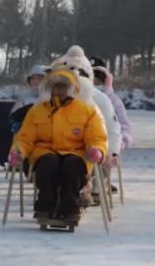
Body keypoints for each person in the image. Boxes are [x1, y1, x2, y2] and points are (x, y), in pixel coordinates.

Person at [11, 68, 108, 222]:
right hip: (44, 152)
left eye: (63, 87)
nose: (58, 91)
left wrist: (97, 150)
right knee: (48, 163)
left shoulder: (87, 111)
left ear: (72, 89)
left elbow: (96, 137)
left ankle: (70, 208)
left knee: (73, 165)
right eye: (55, 87)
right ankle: (45, 206)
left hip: (76, 153)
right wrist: (18, 151)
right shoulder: (37, 111)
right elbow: (25, 138)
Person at [89, 56, 134, 152]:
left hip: (107, 151)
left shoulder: (114, 101)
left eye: (97, 82)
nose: (93, 86)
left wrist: (119, 143)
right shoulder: (77, 99)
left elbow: (125, 127)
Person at [9, 64, 51, 133]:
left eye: (39, 78)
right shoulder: (24, 98)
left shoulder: (52, 98)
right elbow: (11, 120)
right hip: (25, 137)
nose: (35, 81)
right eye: (33, 78)